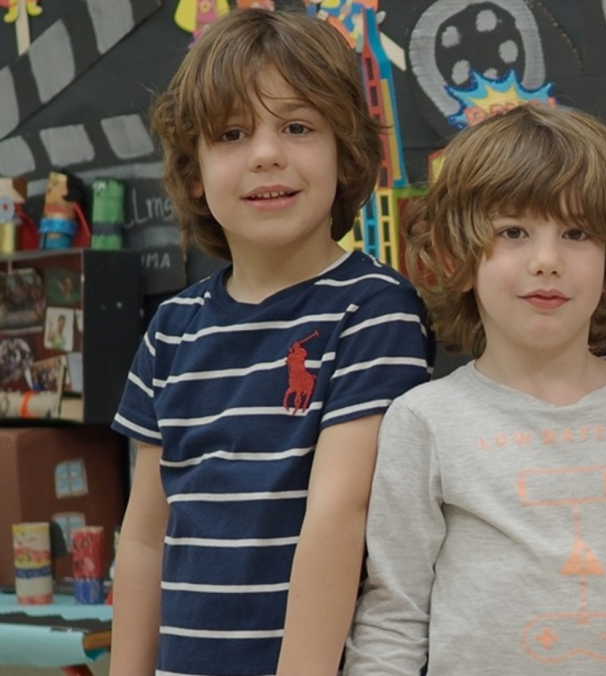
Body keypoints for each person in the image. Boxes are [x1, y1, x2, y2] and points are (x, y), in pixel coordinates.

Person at [344, 104, 606, 675]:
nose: (546, 261)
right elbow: (396, 614)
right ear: (456, 254)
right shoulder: (425, 420)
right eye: (513, 232)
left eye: (576, 232)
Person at [110, 9, 434, 676]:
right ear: (194, 171)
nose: (266, 154)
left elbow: (340, 514)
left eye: (297, 127)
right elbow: (143, 539)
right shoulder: (171, 329)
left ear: (345, 154)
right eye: (232, 133)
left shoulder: (374, 310)